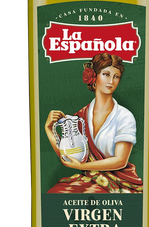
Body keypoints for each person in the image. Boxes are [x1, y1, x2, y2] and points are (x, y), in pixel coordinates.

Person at [44, 53, 143, 193]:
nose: (111, 81)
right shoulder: (81, 116)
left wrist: (81, 167)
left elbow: (121, 160)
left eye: (116, 76)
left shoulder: (124, 116)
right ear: (94, 76)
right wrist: (48, 128)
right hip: (90, 179)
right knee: (56, 193)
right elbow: (67, 155)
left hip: (121, 182)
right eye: (106, 74)